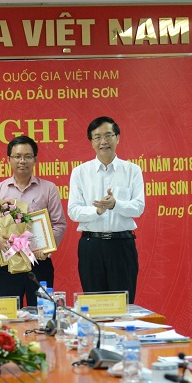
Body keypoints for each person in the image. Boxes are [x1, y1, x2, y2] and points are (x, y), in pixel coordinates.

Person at [0, 136, 67, 308]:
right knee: (9, 314)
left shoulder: (48, 188)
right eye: (17, 156)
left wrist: (47, 248)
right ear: (8, 159)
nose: (22, 161)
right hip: (9, 262)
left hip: (39, 262)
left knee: (43, 312)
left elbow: (59, 224)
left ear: (35, 159)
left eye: (28, 156)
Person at [67, 116, 145, 304]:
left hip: (122, 245)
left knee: (123, 305)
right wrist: (97, 211)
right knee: (95, 305)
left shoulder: (132, 170)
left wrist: (115, 204)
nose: (103, 141)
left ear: (117, 138)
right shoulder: (80, 172)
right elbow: (73, 211)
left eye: (108, 135)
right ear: (91, 142)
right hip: (91, 245)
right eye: (97, 137)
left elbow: (138, 207)